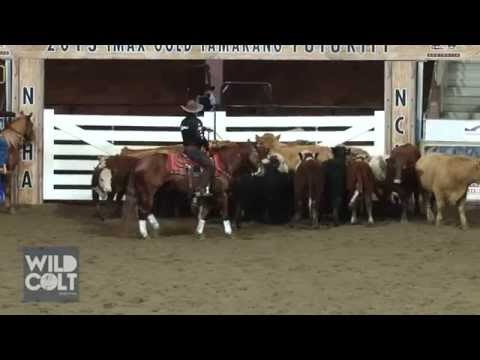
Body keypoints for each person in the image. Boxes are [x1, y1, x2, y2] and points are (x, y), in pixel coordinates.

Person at [180, 100, 215, 197]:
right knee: (209, 165)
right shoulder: (197, 121)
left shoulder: (183, 122)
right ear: (195, 111)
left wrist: (202, 129)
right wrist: (207, 146)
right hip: (194, 150)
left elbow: (190, 132)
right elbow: (200, 138)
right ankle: (201, 188)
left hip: (186, 148)